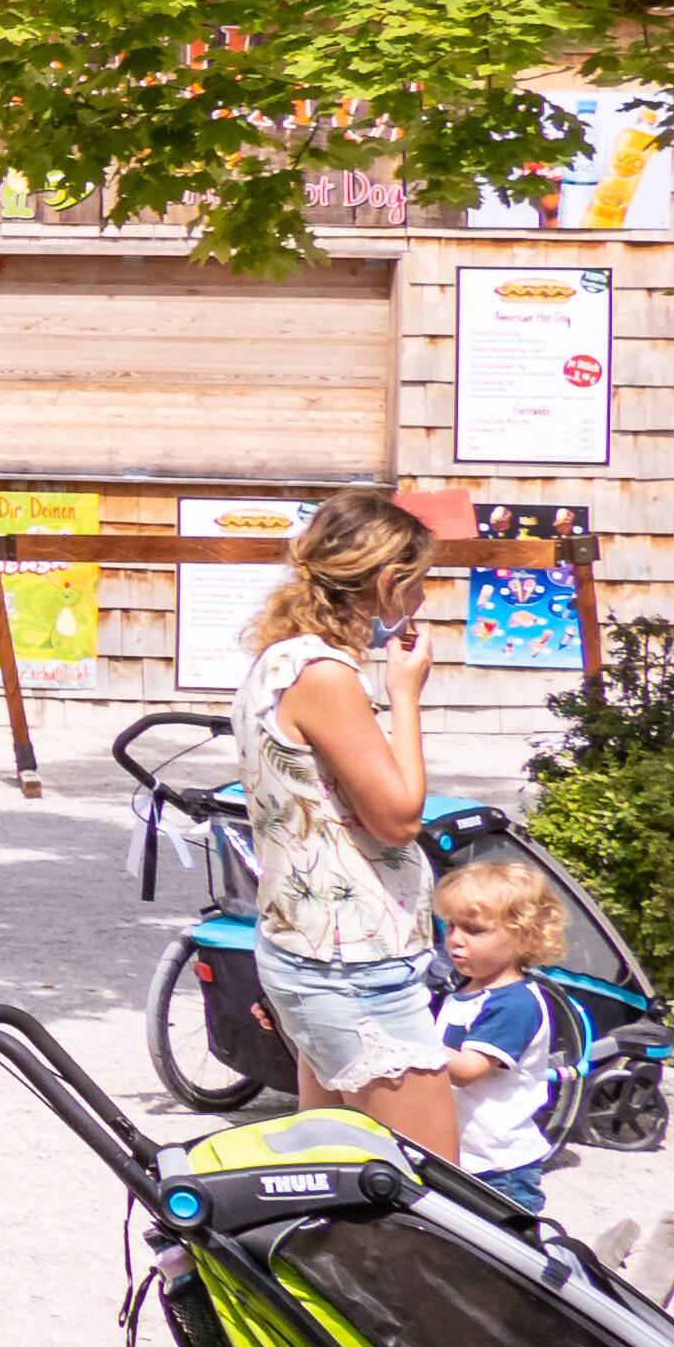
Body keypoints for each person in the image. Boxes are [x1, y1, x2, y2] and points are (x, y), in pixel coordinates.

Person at [231, 490, 455, 1162]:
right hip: (353, 960)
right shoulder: (325, 674)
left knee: (338, 1173)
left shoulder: (279, 659)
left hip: (307, 944)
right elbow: (399, 817)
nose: (417, 602)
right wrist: (406, 696)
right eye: (415, 584)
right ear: (388, 582)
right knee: (435, 1191)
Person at [433, 852, 570, 1216]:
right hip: (463, 1157)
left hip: (499, 1167)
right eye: (450, 926)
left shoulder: (515, 1005)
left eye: (474, 930)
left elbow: (466, 1070)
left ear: (524, 937)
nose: (455, 941)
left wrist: (406, 1035)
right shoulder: (464, 990)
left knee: (508, 1251)